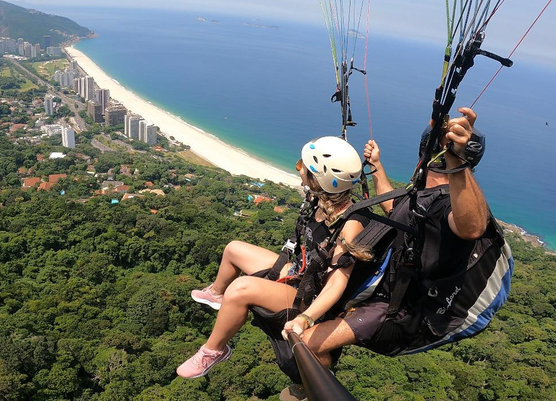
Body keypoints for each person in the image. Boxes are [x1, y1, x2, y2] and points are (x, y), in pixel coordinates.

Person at [283, 107, 491, 369]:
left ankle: (317, 385)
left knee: (304, 343)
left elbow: (472, 228)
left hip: (399, 311)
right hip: (383, 289)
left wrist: (456, 165)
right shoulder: (423, 193)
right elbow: (394, 207)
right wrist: (377, 167)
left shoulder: (449, 204)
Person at [176, 136, 372, 381]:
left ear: (318, 180)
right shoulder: (321, 201)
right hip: (301, 272)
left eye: (302, 167)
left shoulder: (350, 223)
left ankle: (213, 350)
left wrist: (306, 317)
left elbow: (337, 282)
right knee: (234, 249)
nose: (298, 168)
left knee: (239, 289)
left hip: (311, 297)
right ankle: (216, 294)